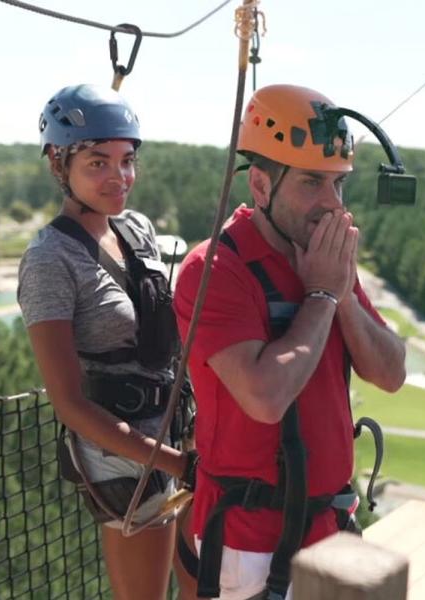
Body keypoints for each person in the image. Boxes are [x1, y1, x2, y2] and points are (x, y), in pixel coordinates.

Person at [172, 84, 407, 600]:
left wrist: (340, 293)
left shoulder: (323, 257)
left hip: (328, 530)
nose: (331, 205)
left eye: (339, 186)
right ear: (260, 185)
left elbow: (391, 373)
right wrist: (322, 295)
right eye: (311, 183)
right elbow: (264, 397)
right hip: (249, 547)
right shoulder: (213, 269)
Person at [17, 83, 196, 600]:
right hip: (125, 456)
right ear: (60, 163)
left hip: (178, 432)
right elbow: (70, 404)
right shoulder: (50, 260)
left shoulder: (136, 229)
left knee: (207, 585)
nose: (118, 177)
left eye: (126, 160)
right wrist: (176, 463)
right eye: (98, 163)